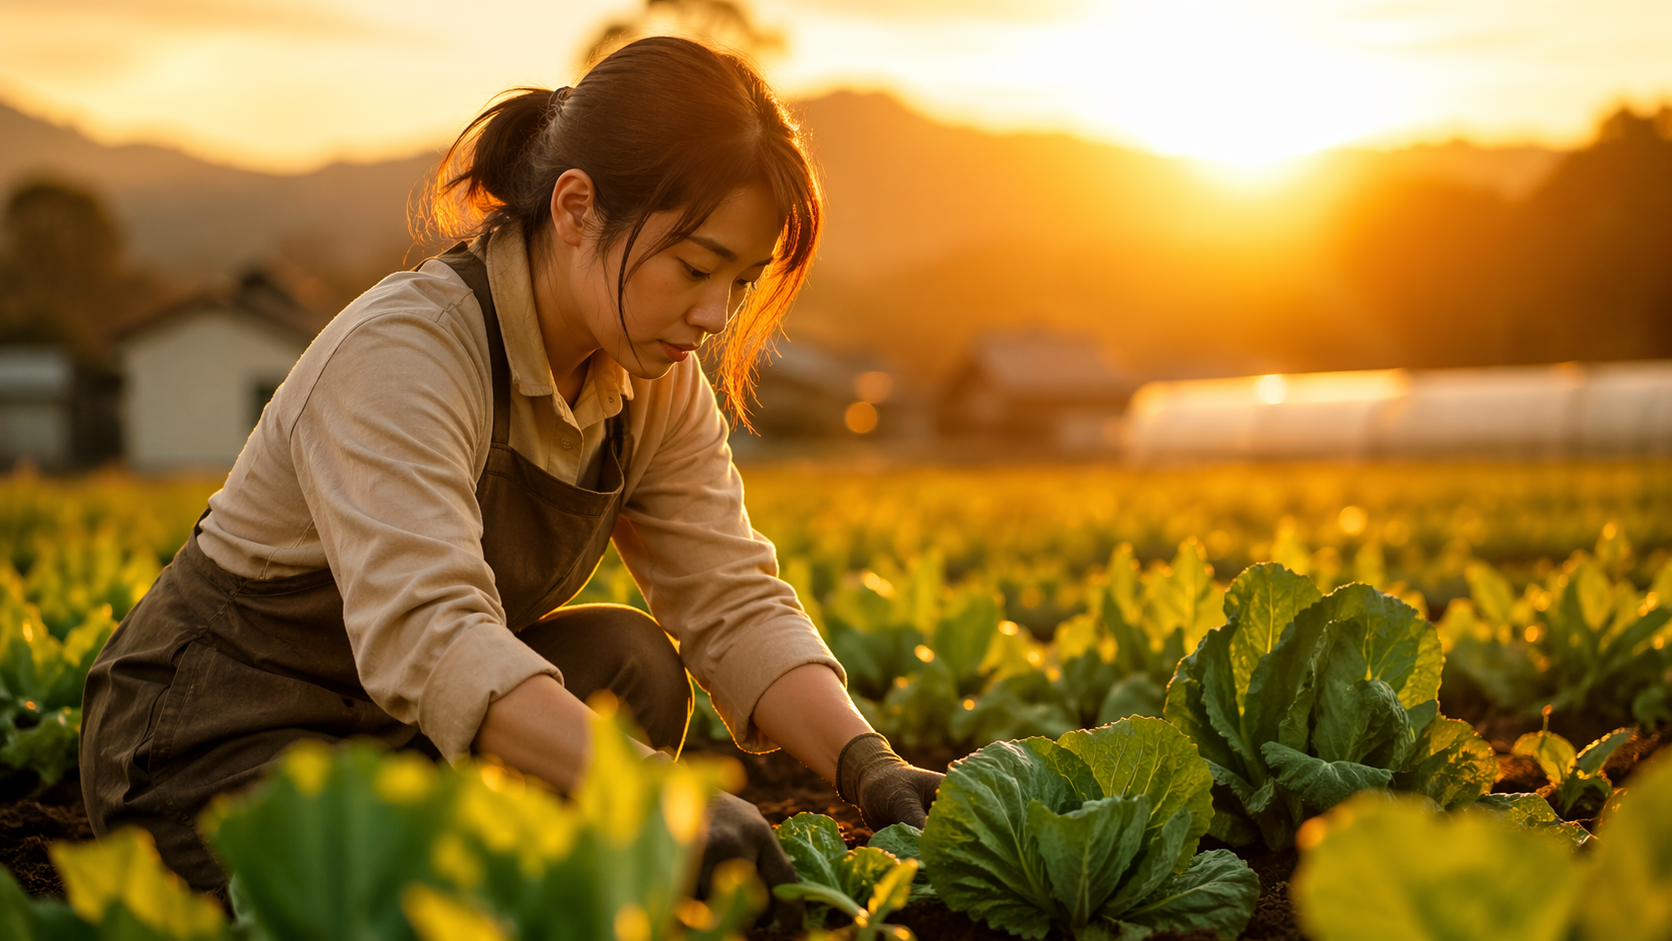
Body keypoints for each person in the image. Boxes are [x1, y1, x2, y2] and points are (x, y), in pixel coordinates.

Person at [79, 35, 942, 901]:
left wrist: (869, 765)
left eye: (742, 281)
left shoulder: (654, 378)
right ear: (575, 209)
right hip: (210, 744)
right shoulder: (405, 353)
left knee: (626, 660)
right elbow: (433, 635)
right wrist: (644, 793)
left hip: (387, 736)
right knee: (421, 887)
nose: (715, 314)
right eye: (694, 265)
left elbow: (731, 597)